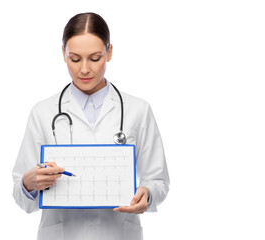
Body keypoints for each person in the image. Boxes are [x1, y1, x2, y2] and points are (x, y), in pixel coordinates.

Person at [12, 12, 170, 240]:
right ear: (63, 54)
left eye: (95, 58)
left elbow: (158, 181)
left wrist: (147, 193)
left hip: (118, 233)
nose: (84, 69)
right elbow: (21, 196)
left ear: (110, 52)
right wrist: (29, 184)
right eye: (74, 59)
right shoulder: (42, 112)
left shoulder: (138, 110)